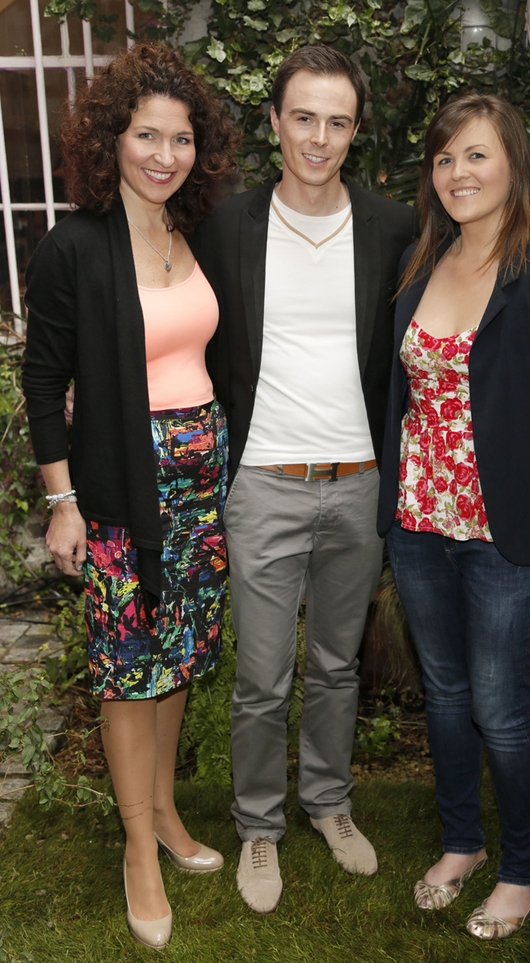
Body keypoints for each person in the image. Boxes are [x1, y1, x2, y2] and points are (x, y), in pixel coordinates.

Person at [377, 92, 530, 940]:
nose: (458, 173)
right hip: (417, 523)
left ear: (512, 163)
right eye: (445, 159)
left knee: (499, 705)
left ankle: (522, 867)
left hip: (504, 531)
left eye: (476, 155)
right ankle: (461, 842)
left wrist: (529, 463)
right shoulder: (424, 261)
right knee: (445, 693)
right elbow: (402, 391)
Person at [22, 42, 238, 950]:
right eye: (146, 134)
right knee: (127, 666)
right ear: (111, 139)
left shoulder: (198, 234)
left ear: (199, 148)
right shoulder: (76, 244)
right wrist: (63, 500)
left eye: (180, 137)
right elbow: (43, 379)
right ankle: (135, 849)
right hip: (120, 487)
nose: (163, 153)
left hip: (202, 484)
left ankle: (163, 815)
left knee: (178, 652)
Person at [192, 44, 418, 913]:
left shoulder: (394, 227)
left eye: (338, 121)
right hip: (263, 482)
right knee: (261, 675)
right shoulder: (225, 226)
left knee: (334, 666)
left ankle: (328, 802)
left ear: (356, 131)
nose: (319, 137)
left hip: (358, 482)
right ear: (276, 122)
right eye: (304, 117)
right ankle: (259, 825)